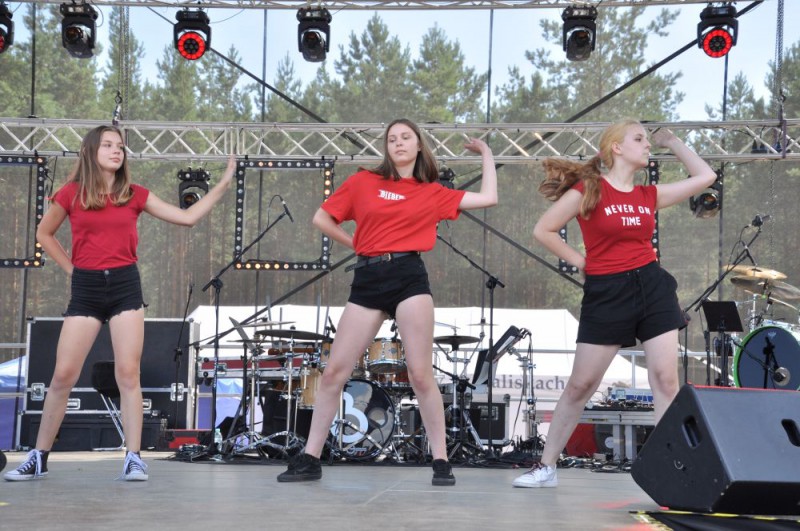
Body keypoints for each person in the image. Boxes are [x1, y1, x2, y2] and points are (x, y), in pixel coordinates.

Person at [4, 125, 235, 482]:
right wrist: (72, 269)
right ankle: (38, 456)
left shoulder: (134, 194)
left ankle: (134, 458)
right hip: (86, 288)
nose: (117, 151)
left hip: (125, 286)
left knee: (127, 374)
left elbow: (187, 218)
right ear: (90, 151)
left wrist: (223, 183)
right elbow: (44, 234)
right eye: (108, 145)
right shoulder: (71, 194)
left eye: (121, 147)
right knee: (63, 375)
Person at [277, 118, 498, 485]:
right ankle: (310, 458)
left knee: (420, 374)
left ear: (418, 146)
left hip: (408, 276)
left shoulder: (432, 191)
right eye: (392, 138)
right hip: (368, 279)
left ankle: (441, 460)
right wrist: (359, 244)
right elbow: (321, 218)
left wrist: (486, 154)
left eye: (406, 137)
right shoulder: (363, 181)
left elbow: (489, 198)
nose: (398, 143)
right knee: (333, 372)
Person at [512, 120, 717, 488]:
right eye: (639, 139)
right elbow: (543, 230)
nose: (646, 145)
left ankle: (669, 470)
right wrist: (581, 262)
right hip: (607, 292)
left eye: (647, 139)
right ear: (616, 148)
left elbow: (706, 176)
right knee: (581, 384)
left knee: (665, 380)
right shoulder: (589, 190)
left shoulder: (648, 195)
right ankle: (546, 467)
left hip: (652, 286)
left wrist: (672, 141)